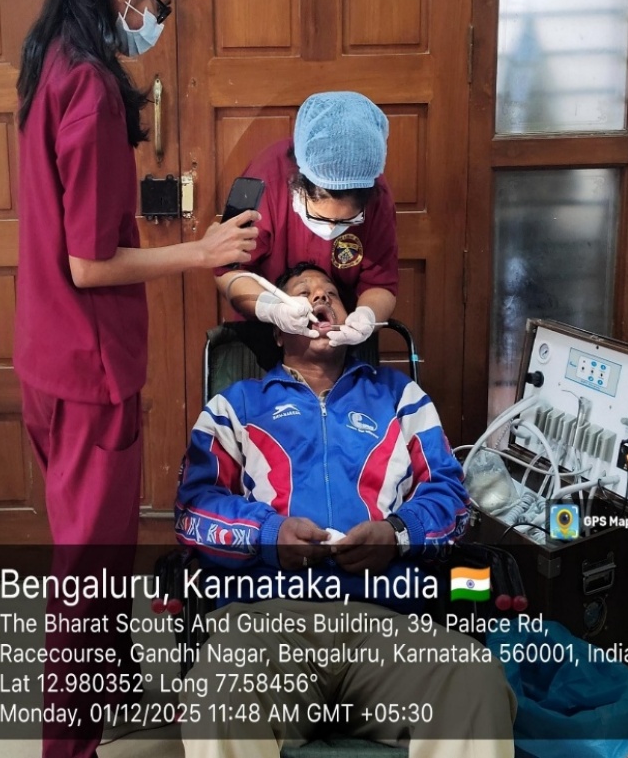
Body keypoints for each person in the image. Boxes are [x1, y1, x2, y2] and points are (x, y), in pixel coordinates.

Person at [175, 263, 516, 758]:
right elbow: (193, 511)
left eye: (331, 294)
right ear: (278, 328)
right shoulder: (237, 406)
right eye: (303, 293)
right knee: (217, 689)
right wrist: (267, 534)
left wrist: (397, 534)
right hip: (267, 625)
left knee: (473, 678)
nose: (320, 299)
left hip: (389, 622)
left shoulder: (400, 397)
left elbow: (452, 498)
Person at [14, 0, 259, 550]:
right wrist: (200, 251)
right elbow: (88, 264)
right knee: (91, 573)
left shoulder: (51, 59)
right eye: (162, 7)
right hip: (86, 370)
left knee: (81, 550)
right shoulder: (89, 90)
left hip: (47, 353)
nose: (159, 23)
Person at [215, 92, 398, 348]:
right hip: (264, 332)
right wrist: (272, 309)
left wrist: (368, 317)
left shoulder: (374, 191)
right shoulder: (259, 181)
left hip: (341, 341)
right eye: (320, 217)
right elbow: (227, 271)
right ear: (299, 184)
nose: (331, 229)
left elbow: (381, 282)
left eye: (348, 221)